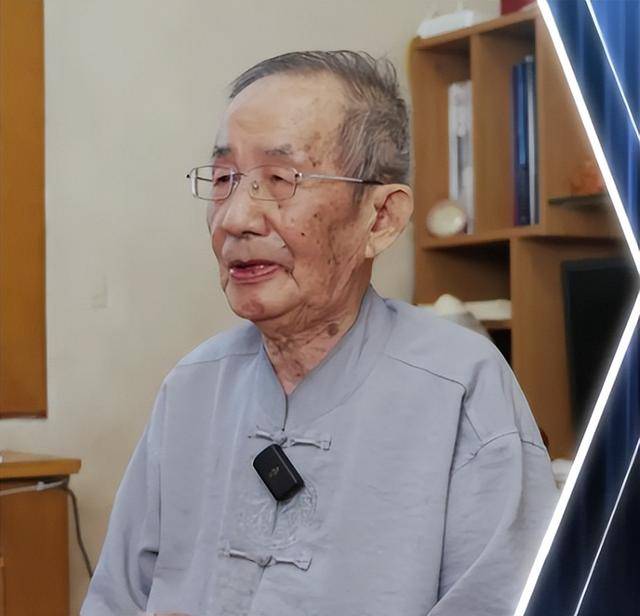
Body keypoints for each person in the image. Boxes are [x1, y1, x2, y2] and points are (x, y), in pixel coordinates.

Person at [82, 50, 558, 616]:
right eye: (225, 178)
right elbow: (115, 601)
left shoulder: (461, 390)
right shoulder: (191, 389)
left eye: (280, 179)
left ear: (380, 218)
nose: (235, 219)